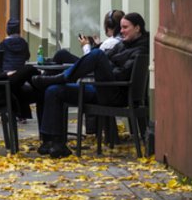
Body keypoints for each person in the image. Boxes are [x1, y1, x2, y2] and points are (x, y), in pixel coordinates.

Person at [31, 12, 149, 158]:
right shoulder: (122, 45)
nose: (122, 31)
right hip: (102, 89)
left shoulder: (141, 48)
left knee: (97, 55)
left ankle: (63, 77)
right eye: (121, 27)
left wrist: (107, 65)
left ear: (137, 28)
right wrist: (106, 63)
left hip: (116, 94)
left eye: (125, 27)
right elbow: (107, 59)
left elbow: (121, 74)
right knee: (53, 90)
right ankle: (53, 143)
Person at [52, 9, 125, 64]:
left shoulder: (109, 43)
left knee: (61, 54)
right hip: (98, 72)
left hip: (90, 75)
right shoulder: (121, 40)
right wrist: (97, 45)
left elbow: (89, 63)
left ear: (108, 26)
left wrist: (85, 46)